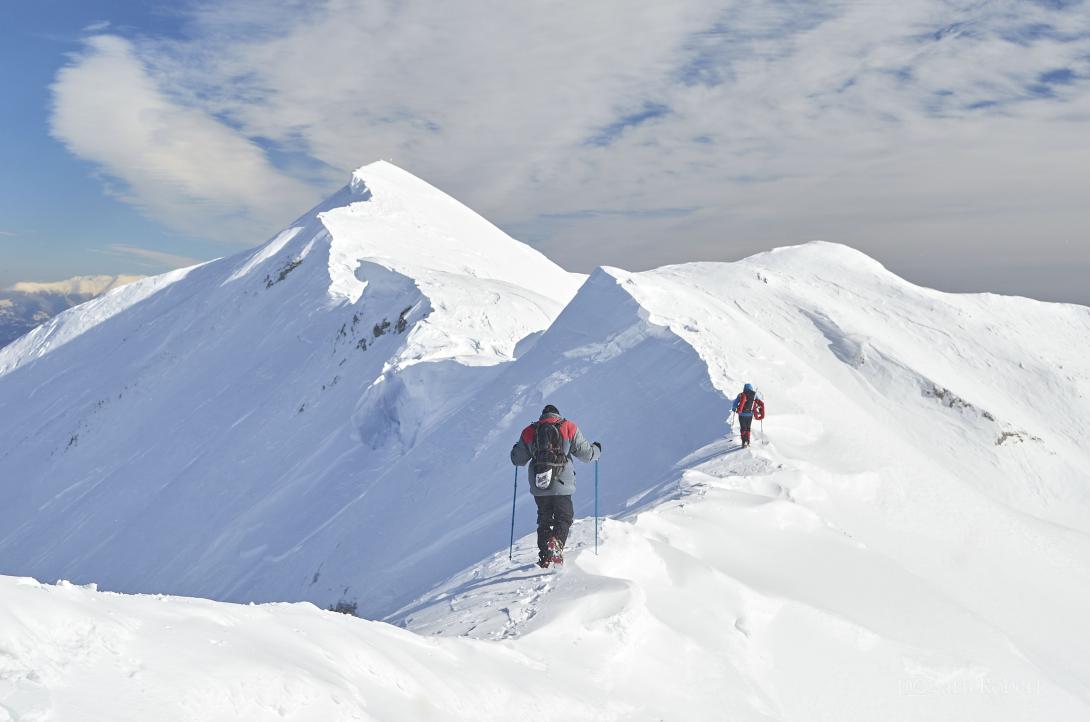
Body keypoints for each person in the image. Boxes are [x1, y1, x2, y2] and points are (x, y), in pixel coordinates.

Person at [511, 404, 601, 568]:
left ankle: (545, 558)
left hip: (540, 484)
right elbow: (587, 455)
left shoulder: (530, 431)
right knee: (564, 517)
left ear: (542, 416)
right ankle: (556, 543)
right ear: (557, 415)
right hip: (562, 483)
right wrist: (597, 450)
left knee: (544, 519)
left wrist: (514, 449)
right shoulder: (568, 426)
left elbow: (518, 460)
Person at [732, 383, 764, 448]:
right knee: (748, 428)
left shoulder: (741, 394)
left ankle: (744, 442)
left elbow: (735, 403)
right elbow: (759, 403)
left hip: (742, 414)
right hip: (750, 414)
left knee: (743, 427)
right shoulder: (754, 395)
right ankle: (748, 441)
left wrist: (734, 409)